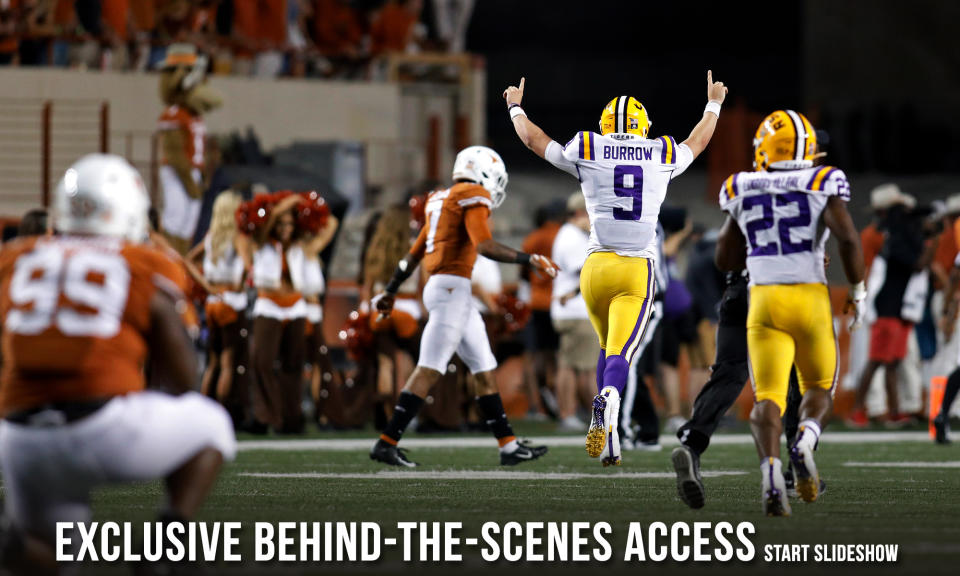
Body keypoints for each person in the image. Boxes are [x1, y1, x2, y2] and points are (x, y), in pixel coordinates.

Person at [0, 154, 236, 573]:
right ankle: (168, 543)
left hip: (19, 436)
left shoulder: (17, 257)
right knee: (211, 422)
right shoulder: (142, 262)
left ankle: (12, 544)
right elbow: (183, 380)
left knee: (54, 558)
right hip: (98, 425)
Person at [504, 72, 727, 465]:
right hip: (635, 269)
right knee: (620, 354)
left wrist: (515, 107)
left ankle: (606, 437)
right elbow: (699, 141)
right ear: (643, 126)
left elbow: (534, 141)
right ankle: (608, 400)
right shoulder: (660, 153)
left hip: (596, 268)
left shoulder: (589, 146)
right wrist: (713, 103)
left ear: (605, 126)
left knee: (607, 350)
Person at [713, 110, 865, 516]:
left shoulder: (743, 185)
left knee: (768, 399)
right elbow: (848, 240)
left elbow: (726, 258)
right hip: (809, 297)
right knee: (819, 388)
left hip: (764, 301)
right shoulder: (821, 179)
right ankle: (805, 441)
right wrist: (858, 289)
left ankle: (770, 475)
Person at [370, 145, 557, 467]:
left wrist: (390, 289)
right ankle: (387, 442)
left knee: (484, 367)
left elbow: (413, 254)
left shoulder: (440, 199)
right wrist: (529, 259)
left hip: (450, 290)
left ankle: (508, 446)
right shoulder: (472, 195)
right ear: (482, 172)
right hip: (452, 289)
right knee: (430, 367)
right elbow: (483, 245)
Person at [849, 192, 934, 427]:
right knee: (876, 359)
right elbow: (918, 264)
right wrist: (931, 242)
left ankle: (895, 409)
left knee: (894, 360)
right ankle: (859, 411)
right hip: (886, 307)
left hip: (901, 308)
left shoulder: (899, 236)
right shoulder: (893, 239)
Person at [186, 190, 251, 425]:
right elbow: (247, 265)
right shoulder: (238, 236)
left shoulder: (212, 236)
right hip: (231, 303)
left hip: (212, 303)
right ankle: (223, 412)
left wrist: (206, 285)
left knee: (212, 363)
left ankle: (202, 411)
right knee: (228, 364)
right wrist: (240, 283)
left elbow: (188, 259)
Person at [550, 193, 596, 431]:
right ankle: (592, 416)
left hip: (572, 311)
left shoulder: (570, 235)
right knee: (585, 368)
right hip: (576, 312)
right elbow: (586, 273)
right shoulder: (572, 238)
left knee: (570, 364)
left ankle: (568, 413)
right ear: (580, 213)